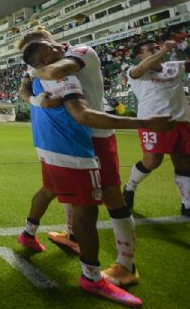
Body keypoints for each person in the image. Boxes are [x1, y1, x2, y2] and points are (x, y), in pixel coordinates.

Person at [20, 41, 173, 307]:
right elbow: (83, 114)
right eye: (50, 48)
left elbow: (27, 87)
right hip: (73, 148)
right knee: (87, 208)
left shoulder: (41, 75)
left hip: (47, 146)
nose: (58, 47)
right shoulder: (63, 73)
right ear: (44, 60)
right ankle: (93, 276)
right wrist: (145, 123)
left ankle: (30, 234)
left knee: (58, 194)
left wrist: (36, 93)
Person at [123, 40, 190, 216]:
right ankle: (130, 186)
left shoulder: (173, 67)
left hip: (181, 121)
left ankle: (187, 203)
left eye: (157, 48)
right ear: (140, 55)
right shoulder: (134, 71)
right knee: (152, 161)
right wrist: (165, 50)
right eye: (151, 50)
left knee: (184, 161)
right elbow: (143, 67)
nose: (156, 50)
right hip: (153, 123)